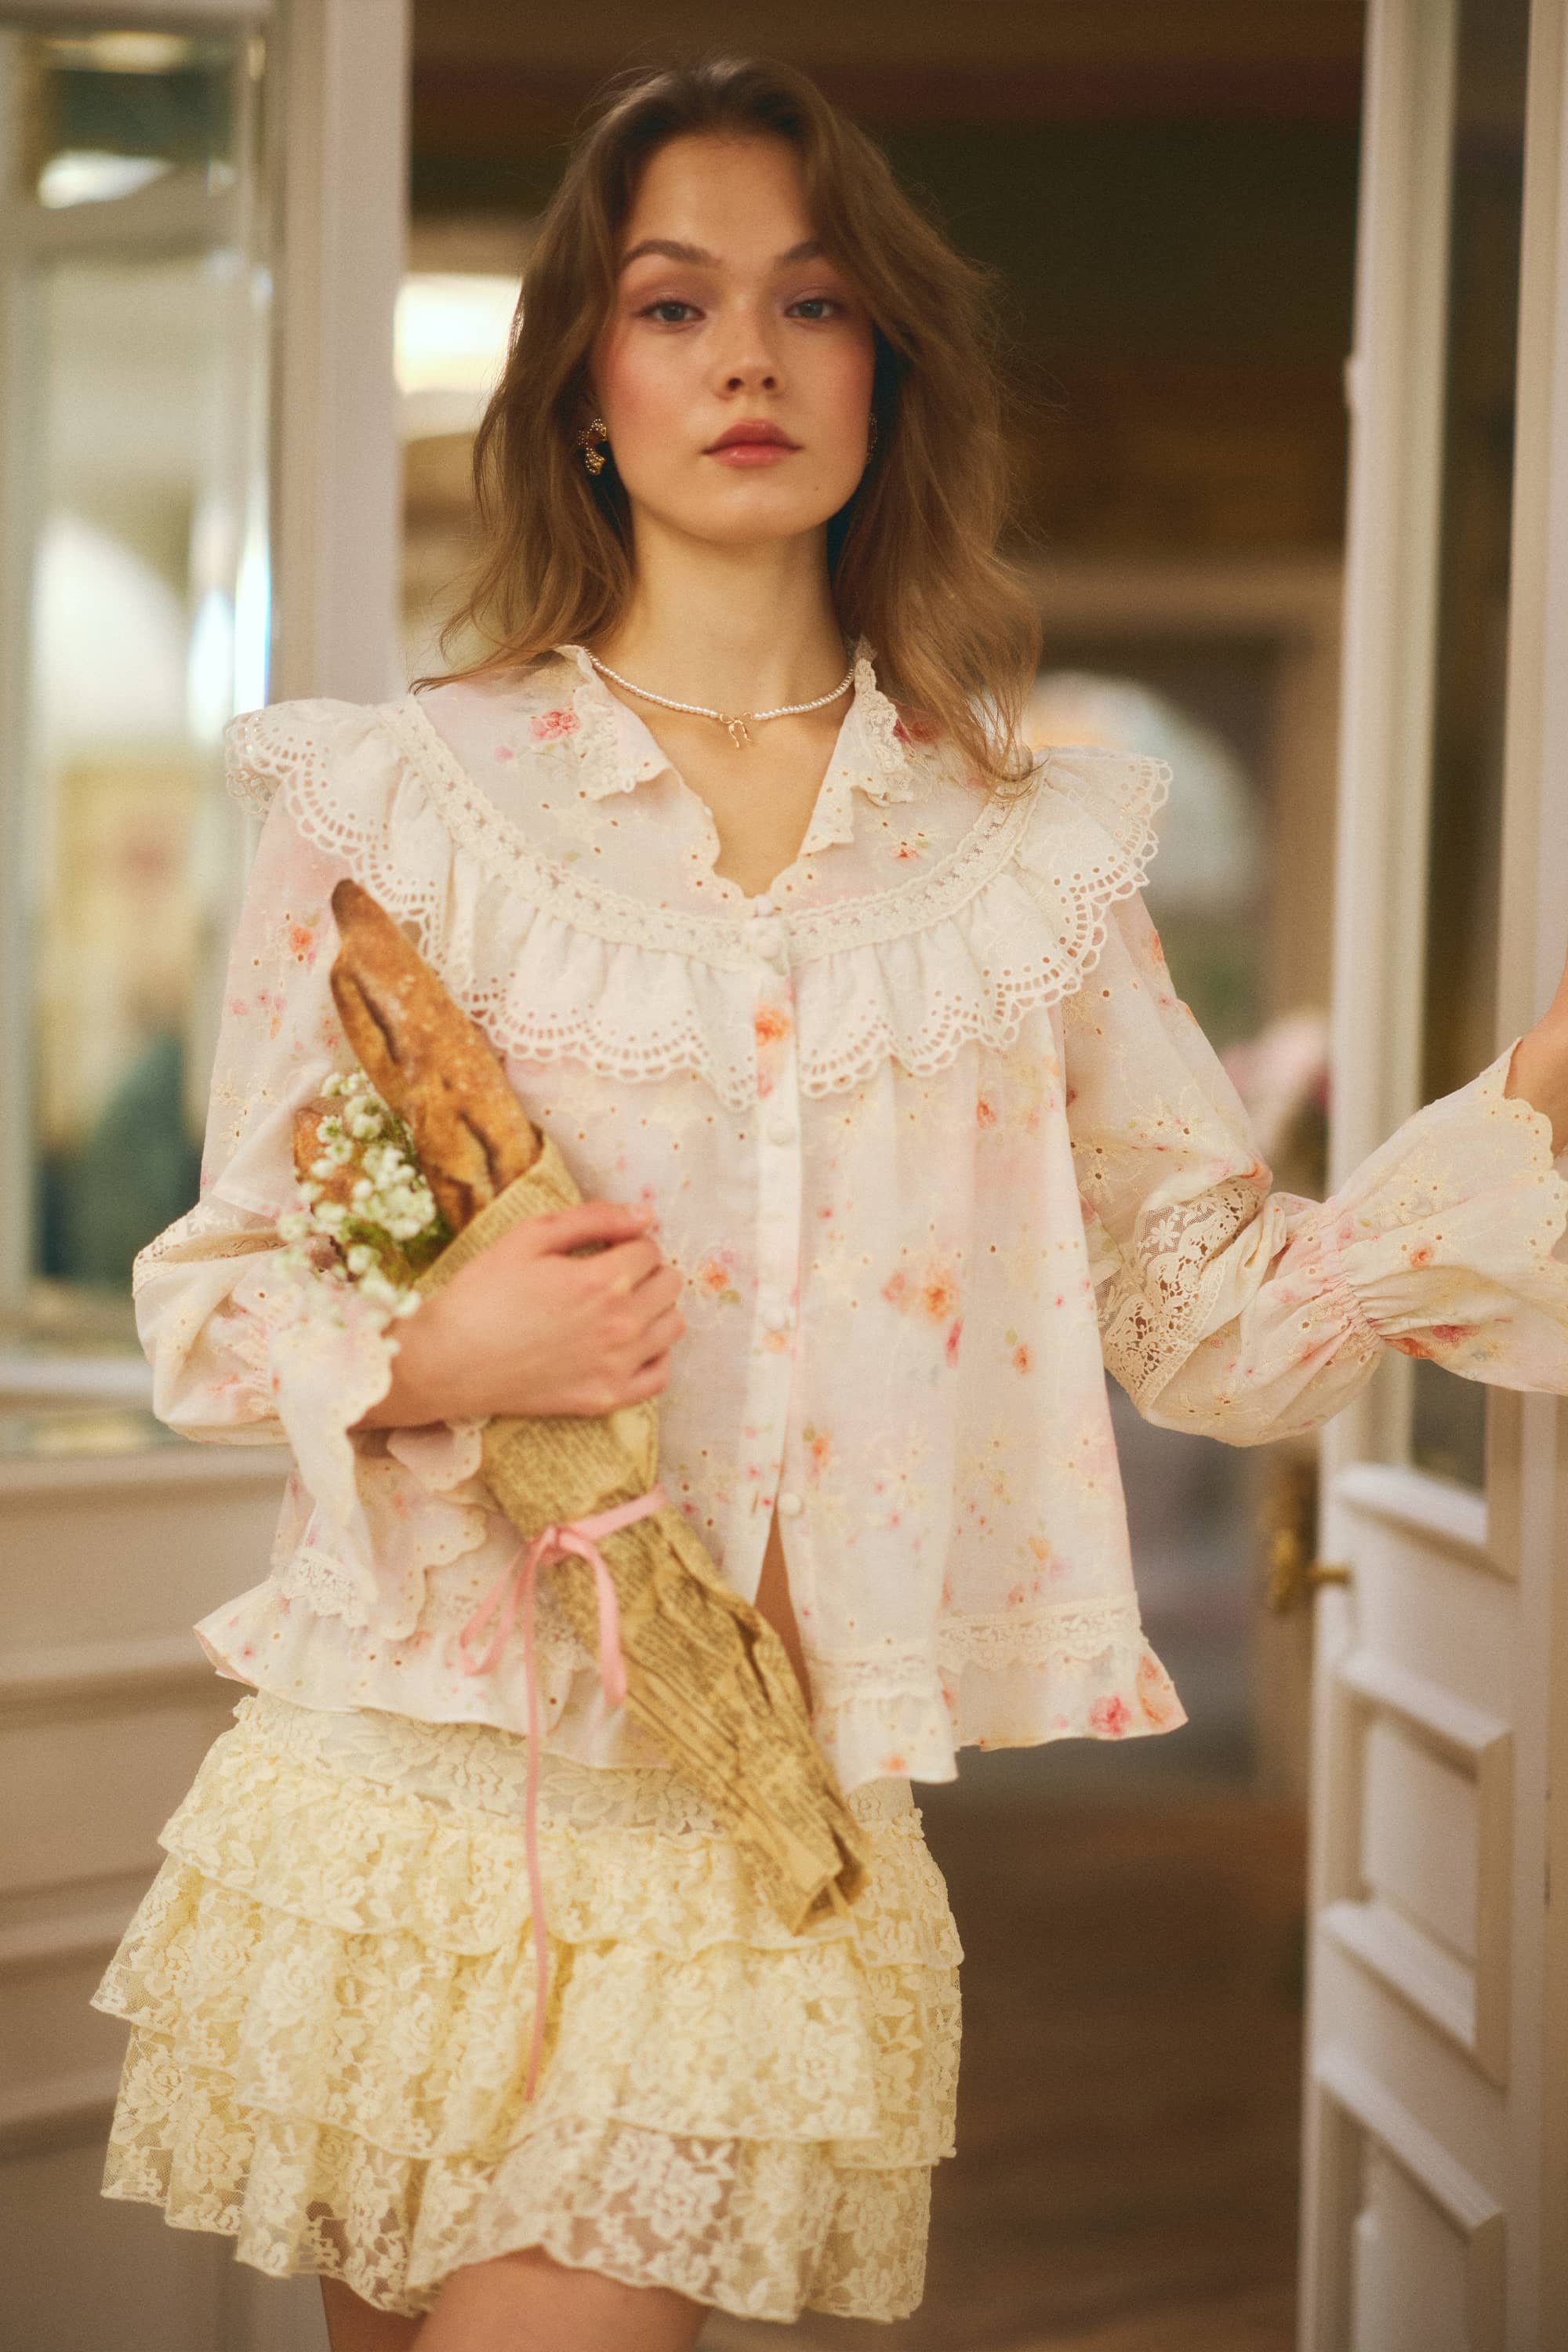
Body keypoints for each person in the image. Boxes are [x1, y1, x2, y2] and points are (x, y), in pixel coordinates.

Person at [94, 55, 1568, 2352]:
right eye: (675, 307)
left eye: (812, 302)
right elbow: (212, 1302)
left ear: (890, 367)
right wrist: (441, 1357)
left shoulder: (1026, 861)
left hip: (753, 1829)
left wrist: (1540, 1106)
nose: (750, 358)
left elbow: (1209, 1318)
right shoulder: (405, 804)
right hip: (397, 1784)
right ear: (585, 379)